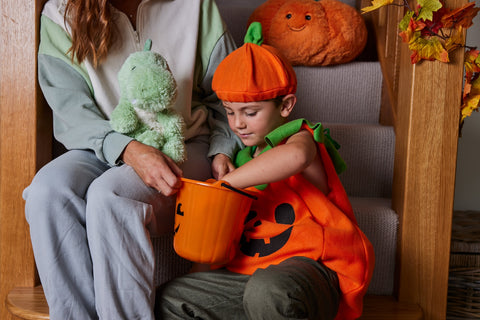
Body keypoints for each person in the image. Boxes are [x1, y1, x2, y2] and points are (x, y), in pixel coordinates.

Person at [23, 0, 241, 319]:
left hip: (182, 142)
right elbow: (72, 112)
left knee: (112, 195)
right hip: (101, 147)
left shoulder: (195, 5)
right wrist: (126, 149)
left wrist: (224, 145)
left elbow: (229, 92)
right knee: (46, 193)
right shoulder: (59, 13)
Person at [155, 22, 375, 320]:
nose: (238, 124)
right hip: (248, 276)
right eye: (230, 112)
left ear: (285, 106)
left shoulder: (300, 138)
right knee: (173, 297)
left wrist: (228, 183)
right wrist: (201, 271)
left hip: (308, 270)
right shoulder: (238, 157)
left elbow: (295, 157)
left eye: (250, 112)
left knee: (268, 291)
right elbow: (217, 241)